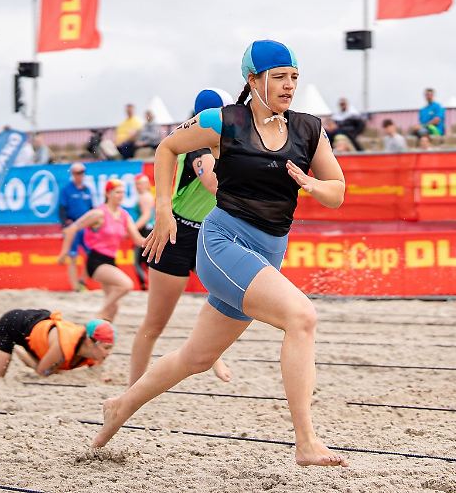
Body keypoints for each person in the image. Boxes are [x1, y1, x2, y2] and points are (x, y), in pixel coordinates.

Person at [93, 39, 349, 466]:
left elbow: (337, 191)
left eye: (294, 78)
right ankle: (306, 442)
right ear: (254, 79)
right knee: (302, 317)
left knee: (197, 357)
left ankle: (120, 405)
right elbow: (167, 148)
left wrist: (312, 184)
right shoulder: (223, 122)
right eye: (280, 77)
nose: (289, 86)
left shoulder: (309, 129)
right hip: (223, 244)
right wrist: (162, 210)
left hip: (267, 252)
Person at [129, 89, 233, 387]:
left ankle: (212, 354)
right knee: (154, 324)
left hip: (207, 234)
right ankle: (133, 390)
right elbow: (215, 185)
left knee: (227, 301)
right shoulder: (198, 149)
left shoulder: (219, 146)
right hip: (176, 234)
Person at [58, 179, 146, 322]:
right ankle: (98, 314)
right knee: (126, 285)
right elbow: (72, 229)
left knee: (113, 309)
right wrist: (64, 253)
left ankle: (101, 335)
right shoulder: (99, 213)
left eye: (123, 192)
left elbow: (138, 240)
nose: (121, 195)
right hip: (96, 260)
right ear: (108, 193)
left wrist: (161, 239)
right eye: (117, 192)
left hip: (111, 261)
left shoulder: (124, 215)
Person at [58, 162, 94, 292]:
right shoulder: (66, 190)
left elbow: (91, 209)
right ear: (73, 174)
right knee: (72, 257)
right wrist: (64, 226)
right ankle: (75, 287)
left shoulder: (87, 190)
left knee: (91, 254)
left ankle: (82, 281)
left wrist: (93, 225)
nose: (81, 175)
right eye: (78, 172)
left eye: (82, 172)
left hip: (85, 227)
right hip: (73, 226)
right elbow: (62, 209)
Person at [131, 173, 155, 290]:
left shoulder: (145, 197)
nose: (138, 186)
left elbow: (146, 216)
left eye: (140, 184)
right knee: (146, 261)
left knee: (138, 262)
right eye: (136, 184)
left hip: (144, 230)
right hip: (147, 230)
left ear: (146, 184)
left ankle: (146, 286)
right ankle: (149, 286)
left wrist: (132, 229)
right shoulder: (147, 196)